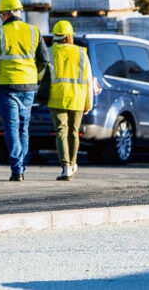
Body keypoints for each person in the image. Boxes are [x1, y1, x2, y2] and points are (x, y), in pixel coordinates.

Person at [0, 0, 50, 181]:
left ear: (6, 13)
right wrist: (34, 76)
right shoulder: (34, 31)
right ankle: (21, 165)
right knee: (23, 127)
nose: (0, 18)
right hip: (28, 86)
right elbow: (44, 59)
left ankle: (17, 168)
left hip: (6, 86)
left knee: (12, 127)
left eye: (1, 15)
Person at [46, 20, 93, 181]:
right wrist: (89, 102)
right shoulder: (81, 53)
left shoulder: (50, 52)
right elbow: (88, 79)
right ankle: (72, 164)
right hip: (78, 97)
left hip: (56, 97)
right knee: (74, 131)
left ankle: (66, 167)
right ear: (69, 36)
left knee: (61, 131)